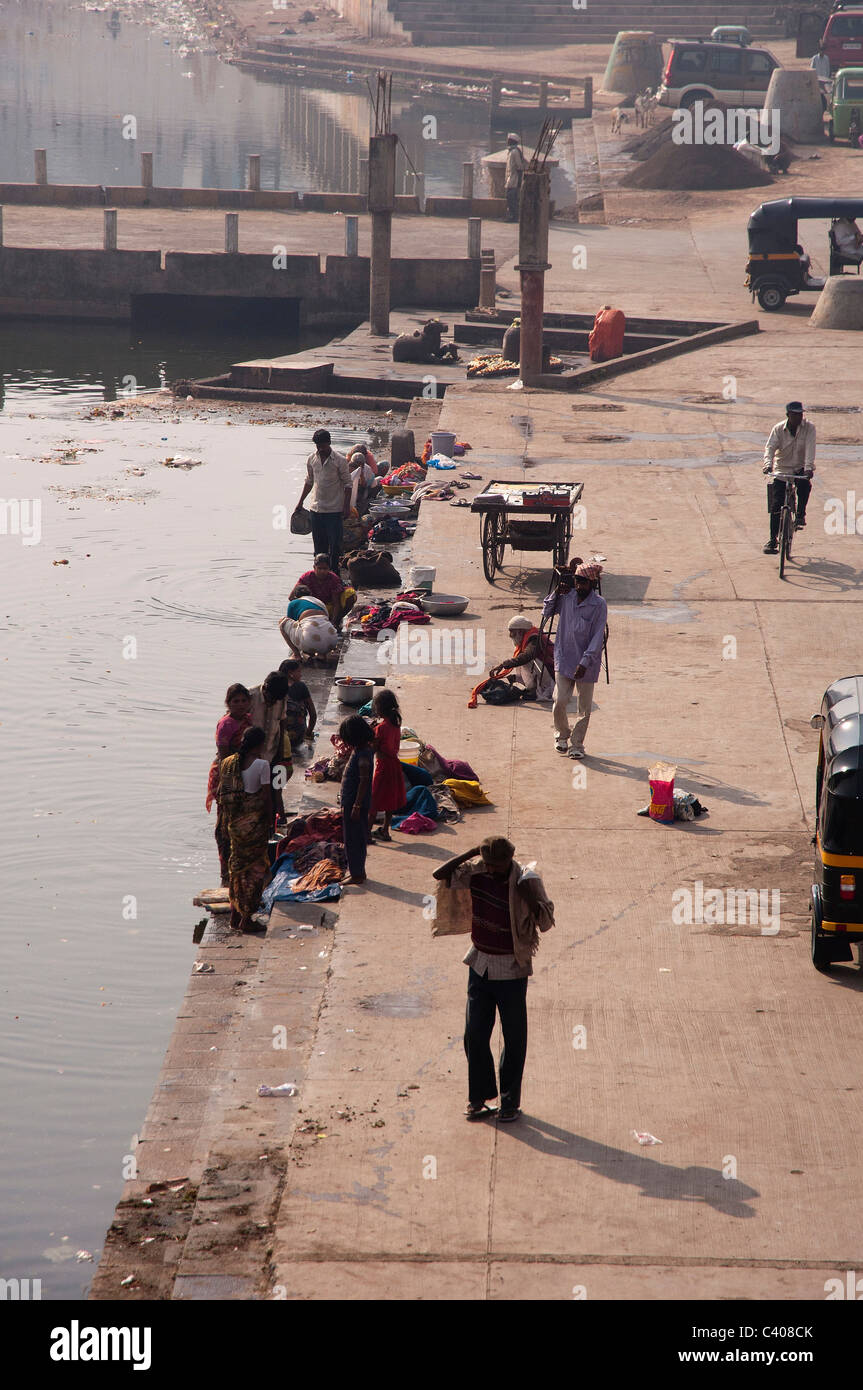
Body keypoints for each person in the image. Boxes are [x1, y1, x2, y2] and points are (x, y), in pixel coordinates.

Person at [433, 836, 554, 1123]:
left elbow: (546, 922)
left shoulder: (526, 880)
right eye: (485, 863)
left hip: (511, 970)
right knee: (474, 1035)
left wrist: (531, 899)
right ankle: (478, 1098)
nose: (489, 870)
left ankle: (510, 1102)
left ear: (508, 861)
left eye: (494, 865)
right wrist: (472, 852)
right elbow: (441, 875)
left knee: (513, 1038)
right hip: (480, 965)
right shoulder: (476, 872)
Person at [542, 560, 607, 759]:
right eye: (577, 581)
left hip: (587, 663)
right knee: (559, 700)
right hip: (564, 657)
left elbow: (597, 637)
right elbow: (546, 612)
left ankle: (577, 744)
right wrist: (556, 592)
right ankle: (561, 735)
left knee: (584, 709)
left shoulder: (599, 605)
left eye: (584, 582)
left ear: (592, 584)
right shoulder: (567, 597)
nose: (579, 586)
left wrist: (585, 662)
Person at [218, 725, 274, 932]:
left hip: (234, 824)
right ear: (260, 744)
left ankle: (235, 916)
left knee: (237, 871)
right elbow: (267, 797)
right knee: (254, 872)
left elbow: (223, 797)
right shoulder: (262, 765)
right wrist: (269, 822)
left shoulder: (228, 763)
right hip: (254, 825)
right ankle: (246, 920)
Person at [205, 683, 252, 886]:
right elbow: (224, 756)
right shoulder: (226, 724)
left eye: (244, 701)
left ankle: (237, 866)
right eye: (236, 701)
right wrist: (231, 781)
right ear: (228, 704)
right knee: (224, 826)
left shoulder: (249, 720)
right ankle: (225, 872)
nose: (240, 705)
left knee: (239, 821)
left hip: (242, 773)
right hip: (226, 775)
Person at [293, 428, 352, 569]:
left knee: (335, 547)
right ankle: (318, 576)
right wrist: (300, 502)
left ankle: (334, 575)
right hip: (316, 509)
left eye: (323, 446)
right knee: (319, 548)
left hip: (334, 510)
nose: (320, 449)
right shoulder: (312, 458)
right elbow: (309, 481)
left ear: (329, 443)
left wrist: (346, 506)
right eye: (318, 446)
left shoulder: (340, 460)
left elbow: (348, 484)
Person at [762, 400, 816, 552]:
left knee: (805, 486)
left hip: (800, 468)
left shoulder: (809, 428)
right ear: (788, 415)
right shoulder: (778, 429)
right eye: (795, 415)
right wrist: (768, 465)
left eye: (801, 414)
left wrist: (808, 468)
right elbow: (770, 448)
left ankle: (800, 514)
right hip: (782, 469)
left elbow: (810, 449)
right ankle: (772, 540)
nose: (799, 418)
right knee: (776, 505)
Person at [248, 672, 293, 815]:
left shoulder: (281, 698)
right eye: (271, 699)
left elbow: (282, 722)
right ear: (265, 688)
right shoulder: (249, 697)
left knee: (272, 795)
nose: (273, 703)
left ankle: (270, 829)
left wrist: (280, 753)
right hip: (250, 759)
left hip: (271, 754)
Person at [339, 715, 374, 886]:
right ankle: (357, 871)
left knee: (353, 840)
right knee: (354, 837)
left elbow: (364, 780)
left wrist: (356, 805)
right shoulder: (362, 750)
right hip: (352, 801)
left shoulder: (363, 757)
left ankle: (357, 874)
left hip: (355, 804)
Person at [369, 688, 407, 842]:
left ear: (380, 709)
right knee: (390, 801)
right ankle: (385, 830)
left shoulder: (381, 728)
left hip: (383, 767)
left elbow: (373, 749)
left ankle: (366, 832)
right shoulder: (395, 724)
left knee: (374, 801)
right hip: (394, 765)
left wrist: (370, 734)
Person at [490, 614, 555, 701]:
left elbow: (526, 656)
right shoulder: (527, 636)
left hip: (552, 674)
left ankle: (535, 690)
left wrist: (503, 665)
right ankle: (532, 688)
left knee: (526, 660)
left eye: (512, 632)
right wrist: (515, 677)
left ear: (520, 631)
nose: (510, 635)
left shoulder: (534, 638)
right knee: (520, 657)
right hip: (548, 671)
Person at [291, 554, 356, 628]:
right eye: (319, 568)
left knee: (351, 594)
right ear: (314, 567)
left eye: (325, 568)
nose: (322, 571)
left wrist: (333, 622)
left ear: (329, 568)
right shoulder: (306, 577)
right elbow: (292, 597)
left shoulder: (333, 579)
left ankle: (337, 619)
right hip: (311, 608)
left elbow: (336, 603)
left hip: (328, 607)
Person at [277, 657, 317, 745]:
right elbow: (313, 714)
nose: (301, 674)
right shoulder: (300, 686)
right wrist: (308, 733)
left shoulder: (275, 686)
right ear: (291, 673)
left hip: (277, 735)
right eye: (299, 671)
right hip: (297, 736)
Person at [504, 132, 525, 222]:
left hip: (514, 179)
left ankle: (514, 216)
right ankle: (512, 215)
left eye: (509, 140)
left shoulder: (515, 152)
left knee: (512, 198)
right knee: (510, 198)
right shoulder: (511, 151)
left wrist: (519, 180)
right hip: (510, 179)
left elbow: (519, 166)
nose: (507, 142)